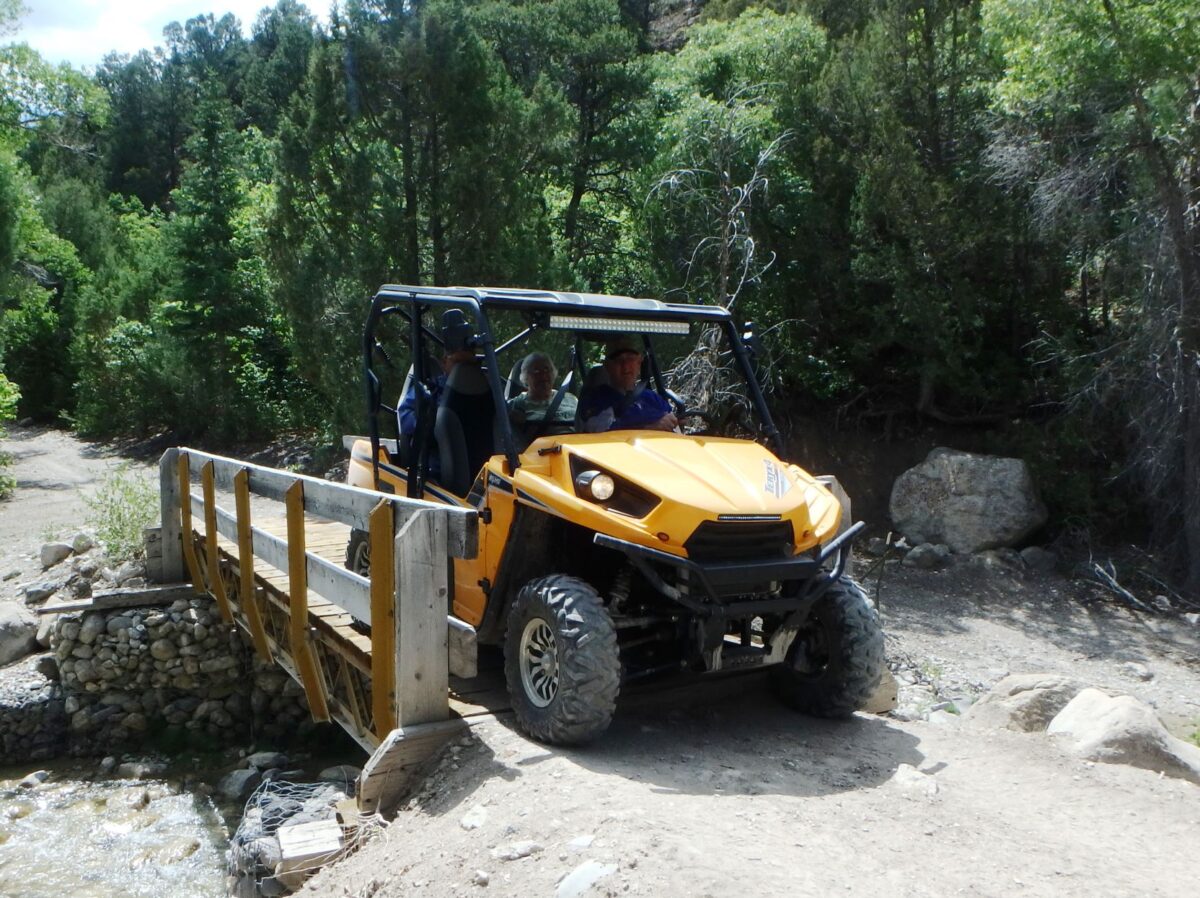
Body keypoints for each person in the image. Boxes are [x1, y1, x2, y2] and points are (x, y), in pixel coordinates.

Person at [578, 335, 678, 433]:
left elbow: (674, 425)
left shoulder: (652, 398)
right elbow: (600, 431)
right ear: (607, 366)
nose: (625, 367)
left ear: (639, 362)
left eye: (630, 359)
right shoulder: (596, 399)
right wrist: (651, 428)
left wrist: (677, 422)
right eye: (618, 361)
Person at [508, 352, 578, 430]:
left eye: (546, 370)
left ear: (553, 373)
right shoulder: (517, 404)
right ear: (526, 377)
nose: (543, 376)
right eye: (536, 371)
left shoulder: (571, 399)